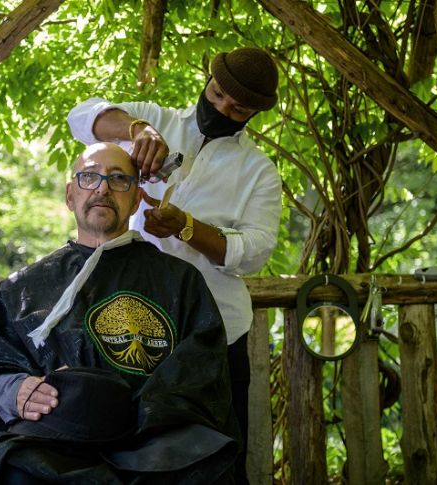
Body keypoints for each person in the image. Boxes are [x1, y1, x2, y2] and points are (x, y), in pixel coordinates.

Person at [0, 142, 241, 483]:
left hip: (153, 443)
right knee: (13, 470)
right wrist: (13, 390)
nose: (102, 187)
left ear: (135, 198)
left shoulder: (180, 280)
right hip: (55, 444)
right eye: (90, 177)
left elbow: (202, 371)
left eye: (119, 179)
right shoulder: (21, 289)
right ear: (70, 195)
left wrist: (125, 410)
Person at [67, 46, 283, 482]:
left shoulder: (259, 172)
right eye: (217, 93)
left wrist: (187, 227)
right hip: (130, 320)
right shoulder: (156, 120)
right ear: (208, 81)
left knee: (213, 456)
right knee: (129, 450)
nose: (220, 107)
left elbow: (256, 251)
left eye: (235, 107)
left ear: (252, 114)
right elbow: (80, 116)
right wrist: (137, 128)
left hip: (214, 331)